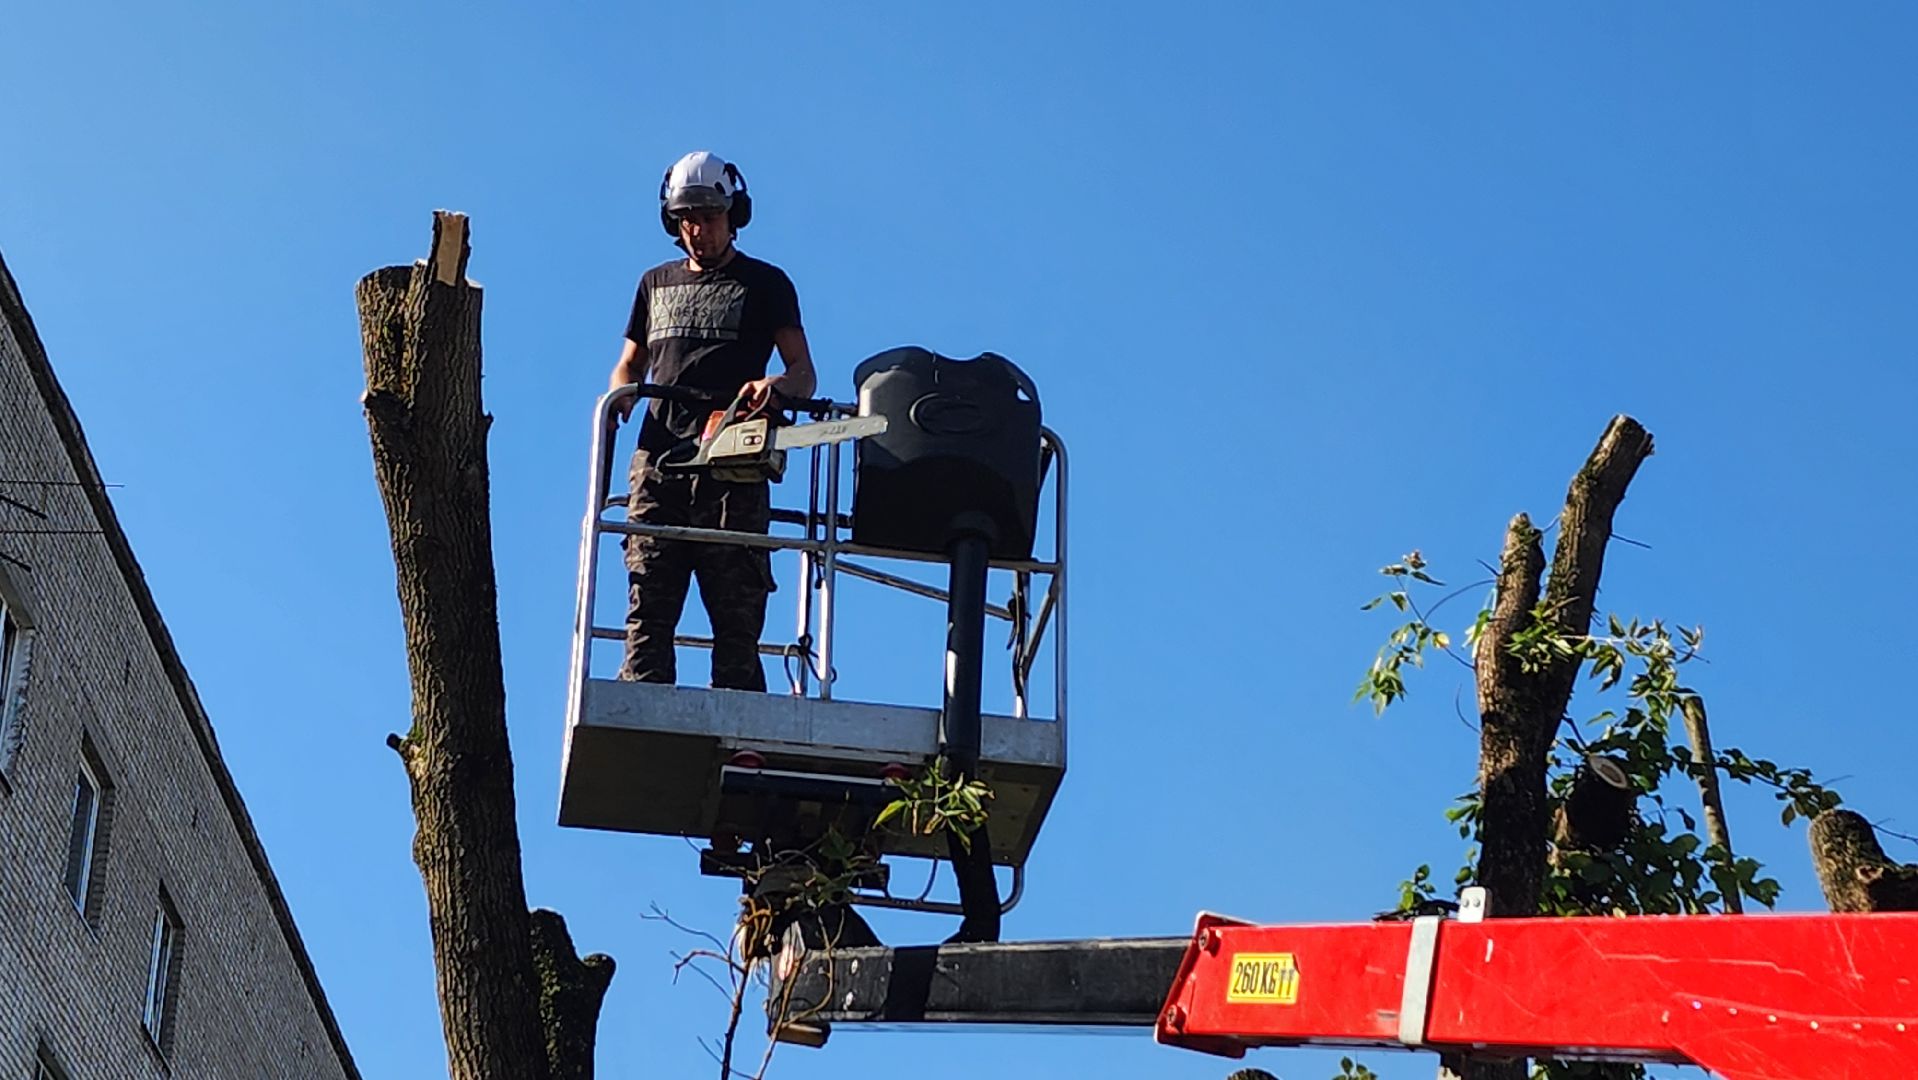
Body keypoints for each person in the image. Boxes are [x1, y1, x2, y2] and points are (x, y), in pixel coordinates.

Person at [608, 151, 816, 690]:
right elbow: (629, 362)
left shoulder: (766, 284)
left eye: (710, 216)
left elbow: (803, 374)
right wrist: (620, 396)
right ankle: (644, 710)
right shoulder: (653, 284)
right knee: (648, 593)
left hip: (733, 461)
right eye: (688, 219)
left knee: (737, 608)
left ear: (734, 215)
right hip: (659, 462)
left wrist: (775, 388)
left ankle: (741, 729)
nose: (699, 230)